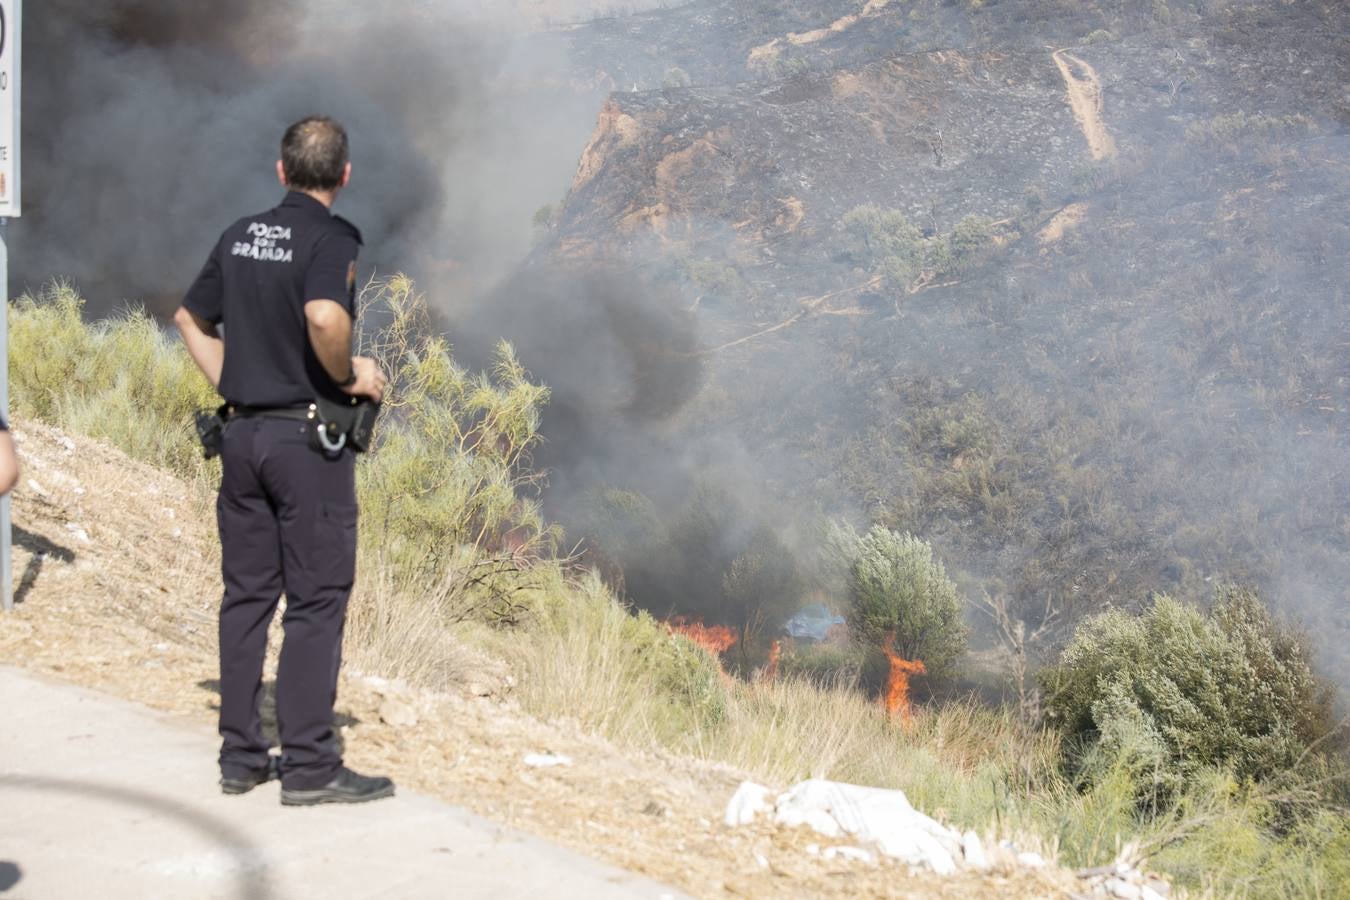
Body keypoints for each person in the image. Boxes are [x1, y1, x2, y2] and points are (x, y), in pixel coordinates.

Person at [175, 116, 393, 806]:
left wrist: (235, 382)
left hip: (240, 437)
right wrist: (345, 378)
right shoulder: (333, 237)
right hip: (304, 446)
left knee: (245, 598)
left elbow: (188, 317)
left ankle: (240, 758)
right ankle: (309, 766)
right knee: (316, 600)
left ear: (281, 171)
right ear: (344, 175)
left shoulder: (242, 233)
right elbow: (327, 317)